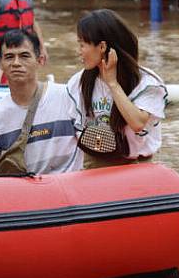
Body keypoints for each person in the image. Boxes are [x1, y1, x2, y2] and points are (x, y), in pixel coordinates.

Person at [0, 30, 82, 177]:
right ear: (0, 64)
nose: (16, 63)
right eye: (9, 57)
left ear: (40, 60)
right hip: (27, 194)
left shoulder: (67, 96)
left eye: (24, 56)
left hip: (71, 189)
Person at [66, 9, 166, 168]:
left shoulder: (147, 82)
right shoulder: (78, 82)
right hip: (95, 161)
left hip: (138, 164)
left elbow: (137, 123)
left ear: (102, 47)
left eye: (82, 45)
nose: (79, 51)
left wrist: (113, 84)